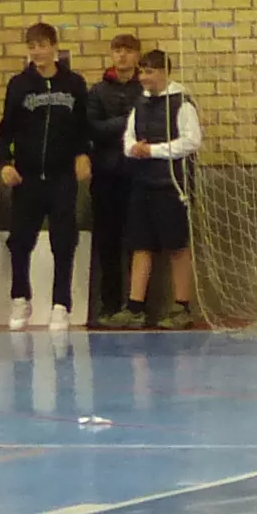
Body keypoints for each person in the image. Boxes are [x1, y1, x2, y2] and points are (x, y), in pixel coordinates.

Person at [0, 24, 89, 331]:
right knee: (21, 241)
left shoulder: (74, 84)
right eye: (31, 46)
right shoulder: (19, 85)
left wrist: (83, 154)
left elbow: (82, 127)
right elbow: (6, 128)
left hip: (62, 177)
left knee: (64, 241)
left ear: (55, 47)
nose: (37, 51)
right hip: (28, 177)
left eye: (42, 45)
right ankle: (20, 298)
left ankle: (61, 304)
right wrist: (5, 162)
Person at [110, 48, 204, 330]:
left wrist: (154, 150)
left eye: (149, 72)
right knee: (141, 245)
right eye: (142, 72)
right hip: (142, 183)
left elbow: (192, 141)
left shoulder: (182, 103)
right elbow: (127, 138)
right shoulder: (140, 103)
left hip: (172, 185)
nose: (144, 77)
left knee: (177, 246)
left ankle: (182, 306)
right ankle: (135, 306)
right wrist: (134, 149)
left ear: (164, 72)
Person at [80, 35, 145, 322]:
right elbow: (93, 128)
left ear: (137, 56)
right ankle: (109, 305)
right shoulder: (97, 92)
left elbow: (151, 125)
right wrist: (129, 122)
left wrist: (122, 126)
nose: (122, 56)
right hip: (106, 175)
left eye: (128, 51)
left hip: (139, 175)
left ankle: (137, 306)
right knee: (107, 243)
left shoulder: (146, 89)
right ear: (111, 55)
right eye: (117, 51)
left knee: (139, 242)